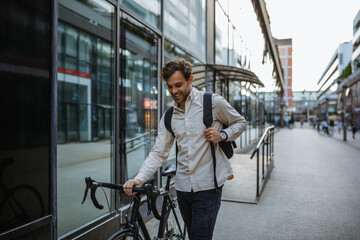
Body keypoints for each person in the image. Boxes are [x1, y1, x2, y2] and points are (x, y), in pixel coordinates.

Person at [123, 58, 247, 240]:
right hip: (182, 189)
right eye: (170, 86)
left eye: (178, 85)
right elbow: (159, 153)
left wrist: (222, 135)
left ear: (190, 80)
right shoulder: (169, 116)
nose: (174, 91)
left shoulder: (211, 102)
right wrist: (139, 179)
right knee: (192, 235)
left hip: (208, 188)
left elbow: (240, 122)